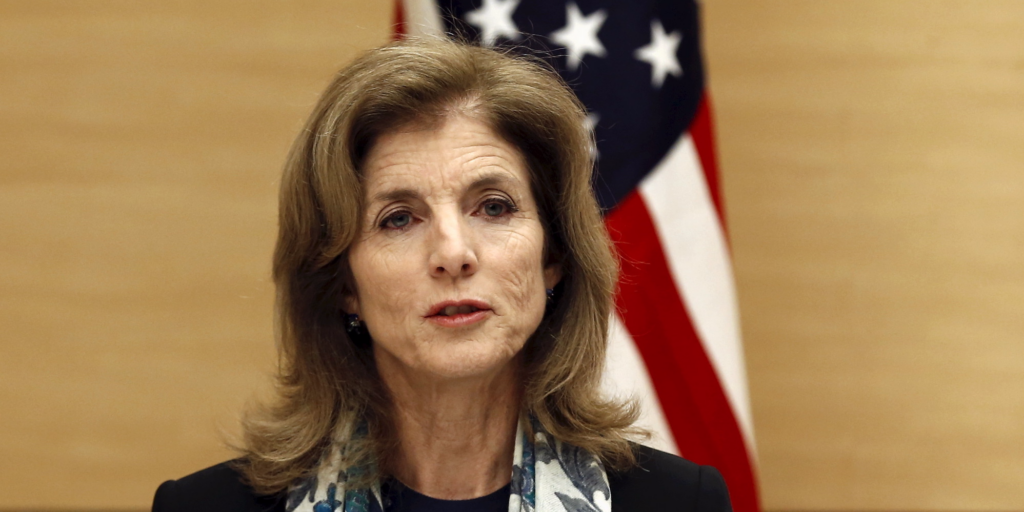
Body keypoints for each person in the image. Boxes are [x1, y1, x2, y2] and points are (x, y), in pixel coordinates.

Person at [152, 37, 732, 512]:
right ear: (344, 285)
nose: (453, 253)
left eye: (494, 207)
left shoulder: (680, 504)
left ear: (552, 257)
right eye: (398, 219)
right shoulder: (203, 508)